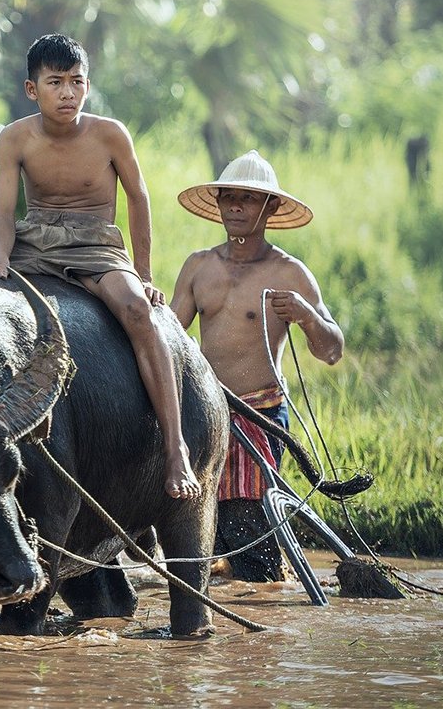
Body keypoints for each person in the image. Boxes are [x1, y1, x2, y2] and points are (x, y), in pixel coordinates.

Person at [0, 33, 200, 500]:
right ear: (31, 89)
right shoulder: (15, 137)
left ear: (88, 86)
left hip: (95, 244)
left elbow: (139, 200)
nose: (68, 93)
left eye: (77, 82)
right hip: (35, 239)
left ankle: (175, 445)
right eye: (56, 82)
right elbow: (4, 212)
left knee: (140, 313)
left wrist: (144, 274)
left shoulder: (109, 134)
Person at [169, 150, 343, 581]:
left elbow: (332, 350)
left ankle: (263, 594)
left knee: (247, 525)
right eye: (228, 197)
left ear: (271, 207)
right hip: (206, 413)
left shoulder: (289, 273)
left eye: (247, 199)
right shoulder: (199, 266)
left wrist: (304, 314)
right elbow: (171, 338)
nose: (235, 207)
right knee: (197, 524)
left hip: (259, 413)